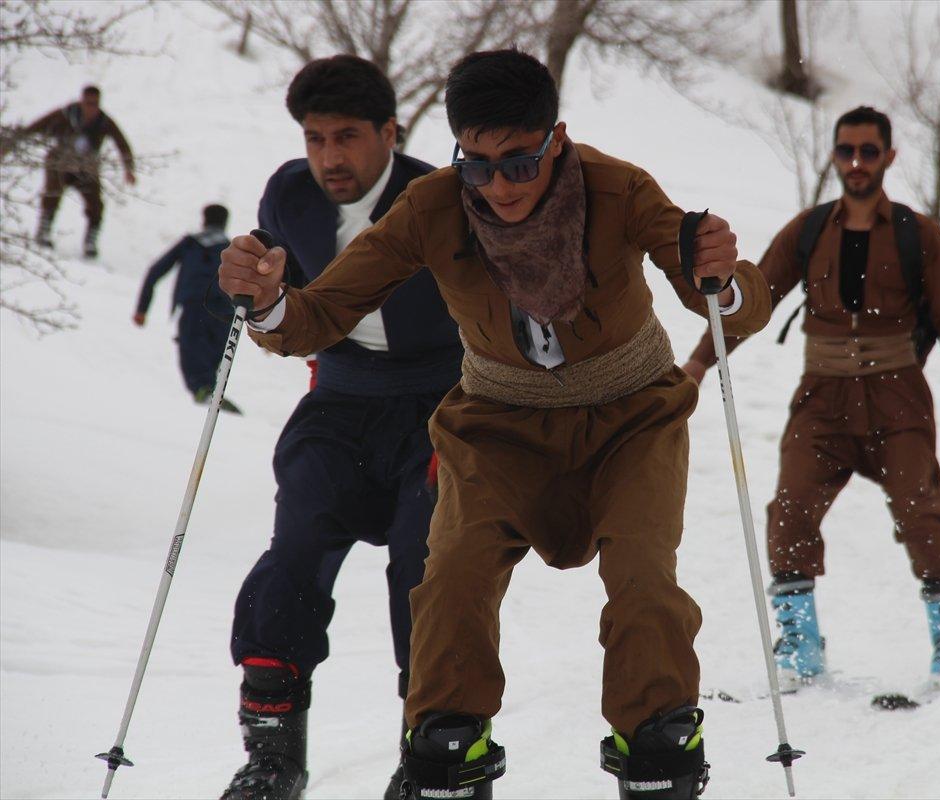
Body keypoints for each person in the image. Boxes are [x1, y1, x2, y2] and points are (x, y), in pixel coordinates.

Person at [219, 49, 770, 800]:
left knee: (642, 579)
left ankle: (657, 752)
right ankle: (447, 749)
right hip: (499, 422)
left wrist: (722, 276)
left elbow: (711, 289)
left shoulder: (617, 189)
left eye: (519, 162)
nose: (498, 185)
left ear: (557, 139)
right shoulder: (434, 206)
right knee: (449, 577)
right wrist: (268, 301)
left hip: (630, 417)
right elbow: (323, 312)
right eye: (475, 165)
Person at [217, 56, 463, 800]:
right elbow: (267, 282)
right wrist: (246, 284)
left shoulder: (443, 198)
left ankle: (427, 755)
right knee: (294, 550)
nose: (330, 157)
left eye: (347, 136)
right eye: (315, 137)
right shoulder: (291, 194)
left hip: (441, 401)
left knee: (425, 566)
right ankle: (272, 755)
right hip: (341, 398)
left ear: (390, 132)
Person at [683, 106, 940, 692]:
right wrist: (701, 360)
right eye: (846, 150)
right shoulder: (809, 229)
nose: (855, 162)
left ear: (889, 157)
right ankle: (800, 646)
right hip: (820, 400)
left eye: (868, 152)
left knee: (922, 514)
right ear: (833, 155)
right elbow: (754, 299)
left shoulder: (915, 233)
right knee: (791, 509)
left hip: (898, 399)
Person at [134, 203, 242, 413]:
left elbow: (156, 271)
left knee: (192, 350)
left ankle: (204, 392)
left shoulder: (190, 244)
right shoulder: (231, 250)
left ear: (204, 220)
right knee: (215, 352)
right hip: (225, 310)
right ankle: (210, 391)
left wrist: (142, 308)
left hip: (194, 304)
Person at [23, 85, 136, 258]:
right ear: (81, 101)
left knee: (95, 204)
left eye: (95, 104)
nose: (91, 108)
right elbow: (36, 126)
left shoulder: (104, 122)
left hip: (86, 169)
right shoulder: (65, 115)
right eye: (88, 103)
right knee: (52, 193)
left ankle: (90, 240)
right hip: (60, 164)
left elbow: (122, 143)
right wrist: (9, 145)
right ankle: (44, 230)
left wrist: (129, 169)